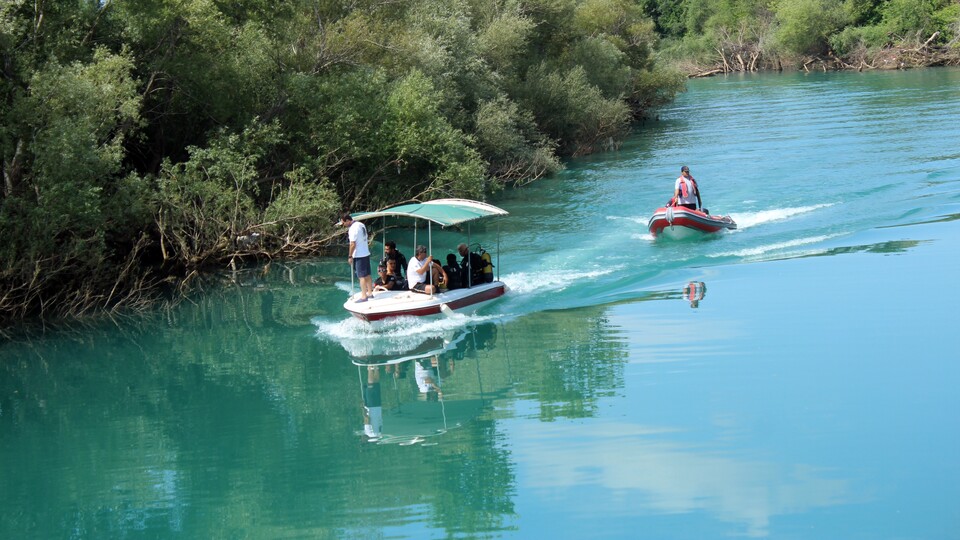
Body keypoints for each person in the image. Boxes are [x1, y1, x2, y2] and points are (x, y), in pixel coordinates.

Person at [342, 211, 373, 302]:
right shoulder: (361, 224)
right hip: (366, 252)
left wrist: (350, 256)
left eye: (344, 223)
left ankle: (364, 296)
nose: (343, 225)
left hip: (359, 255)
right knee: (367, 274)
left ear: (347, 220)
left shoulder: (352, 228)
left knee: (361, 276)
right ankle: (370, 293)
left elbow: (352, 244)